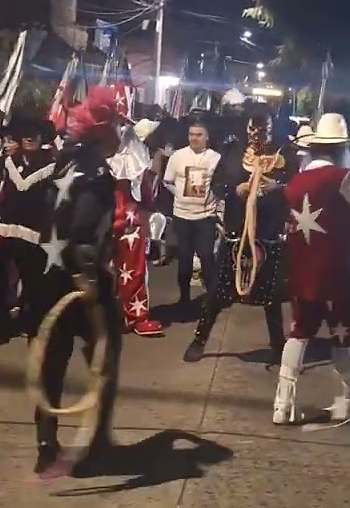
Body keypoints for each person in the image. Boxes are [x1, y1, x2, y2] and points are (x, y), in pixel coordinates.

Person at [273, 113, 350, 425]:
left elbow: (330, 220)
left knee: (297, 334)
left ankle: (282, 404)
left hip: (303, 272)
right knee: (342, 337)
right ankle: (342, 403)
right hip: (336, 274)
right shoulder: (342, 178)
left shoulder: (296, 182)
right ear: (340, 147)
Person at [32, 86, 124, 475]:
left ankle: (45, 443)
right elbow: (84, 227)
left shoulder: (60, 162)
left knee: (50, 362)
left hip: (46, 273)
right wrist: (86, 276)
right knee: (105, 355)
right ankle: (97, 438)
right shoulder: (99, 172)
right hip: (80, 279)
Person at [183, 105, 291, 364]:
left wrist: (277, 187)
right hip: (236, 233)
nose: (257, 133)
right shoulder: (232, 153)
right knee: (217, 294)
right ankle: (199, 340)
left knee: (271, 297)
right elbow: (218, 185)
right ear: (246, 128)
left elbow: (295, 188)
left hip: (268, 234)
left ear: (272, 127)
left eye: (263, 128)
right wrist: (235, 190)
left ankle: (278, 346)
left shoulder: (285, 155)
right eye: (253, 128)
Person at [0, 117, 56, 352]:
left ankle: (36, 332)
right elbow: (2, 195)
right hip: (5, 229)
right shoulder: (9, 162)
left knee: (34, 283)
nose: (29, 138)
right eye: (25, 133)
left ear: (43, 139)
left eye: (34, 134)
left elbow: (54, 203)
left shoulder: (52, 165)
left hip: (34, 233)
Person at [106, 118, 165, 337]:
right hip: (109, 221)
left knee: (133, 270)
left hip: (131, 224)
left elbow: (147, 197)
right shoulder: (107, 162)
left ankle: (135, 316)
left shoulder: (139, 163)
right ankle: (112, 316)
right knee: (106, 271)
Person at [162, 119, 221, 306]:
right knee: (184, 259)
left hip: (205, 216)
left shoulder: (215, 158)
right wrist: (179, 194)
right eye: (191, 135)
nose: (194, 138)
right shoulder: (178, 156)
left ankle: (212, 298)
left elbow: (221, 185)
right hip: (182, 215)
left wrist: (215, 200)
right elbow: (167, 181)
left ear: (207, 137)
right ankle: (184, 298)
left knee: (206, 256)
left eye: (198, 135)